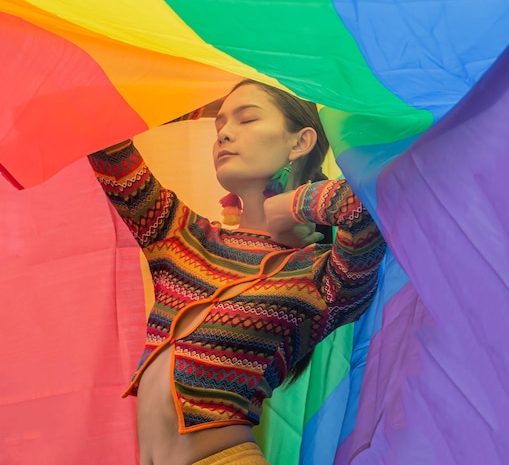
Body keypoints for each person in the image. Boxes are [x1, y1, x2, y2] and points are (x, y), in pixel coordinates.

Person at [88, 80, 386, 465]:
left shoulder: (323, 278)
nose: (224, 133)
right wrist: (193, 99)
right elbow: (101, 132)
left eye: (247, 119)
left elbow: (371, 204)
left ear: (300, 142)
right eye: (218, 127)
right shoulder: (182, 238)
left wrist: (288, 208)